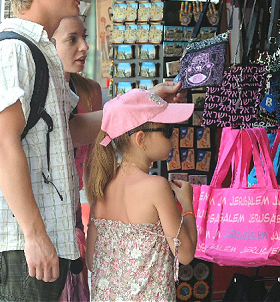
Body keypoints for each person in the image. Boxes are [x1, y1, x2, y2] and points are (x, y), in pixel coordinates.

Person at [0, 0, 186, 302]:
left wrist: (147, 102)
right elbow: (3, 144)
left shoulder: (40, 52)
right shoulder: (12, 53)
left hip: (42, 244)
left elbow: (73, 128)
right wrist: (34, 234)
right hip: (20, 248)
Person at [85, 89, 198, 301]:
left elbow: (93, 261)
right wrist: (188, 205)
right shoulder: (157, 187)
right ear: (140, 139)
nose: (173, 137)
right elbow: (185, 254)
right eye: (167, 130)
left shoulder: (101, 186)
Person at [52, 15, 101, 301]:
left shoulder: (89, 91)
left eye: (84, 37)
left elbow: (95, 164)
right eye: (72, 39)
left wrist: (97, 220)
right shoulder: (39, 91)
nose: (84, 46)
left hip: (72, 214)